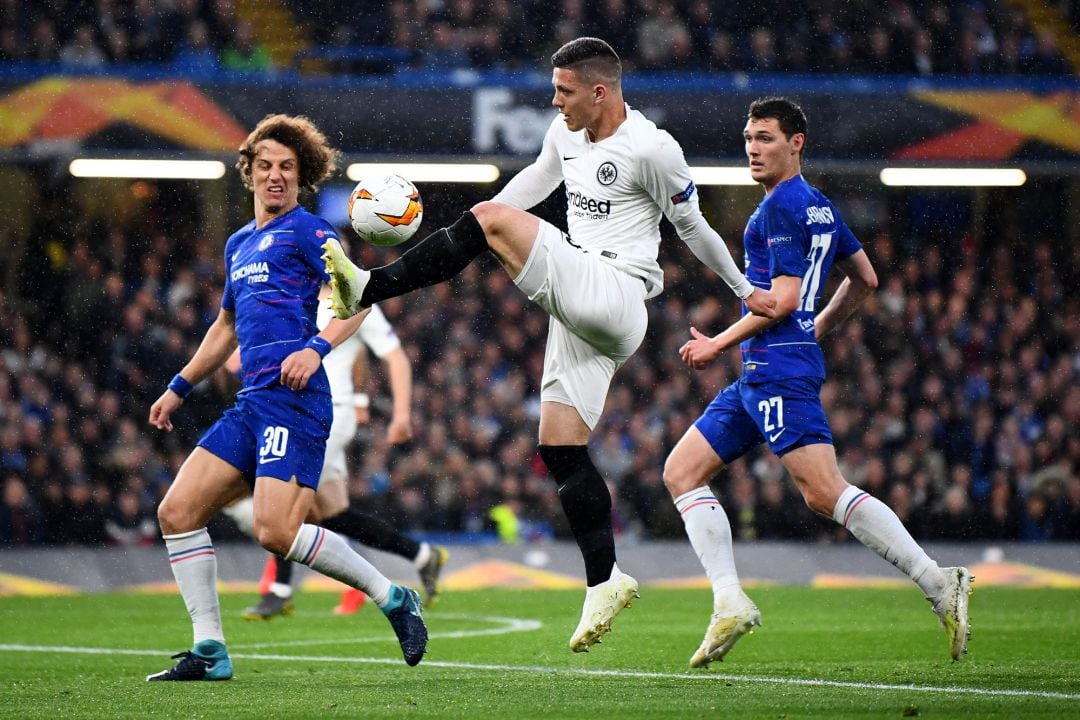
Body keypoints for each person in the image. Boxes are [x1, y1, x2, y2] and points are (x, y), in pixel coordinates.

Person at [321, 37, 777, 652]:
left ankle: (369, 286)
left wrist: (745, 289)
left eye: (564, 91)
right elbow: (532, 183)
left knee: (488, 221)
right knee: (561, 448)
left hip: (617, 293)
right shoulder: (565, 136)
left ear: (600, 91)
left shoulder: (652, 147)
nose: (554, 101)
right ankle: (604, 581)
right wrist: (472, 231)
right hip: (580, 302)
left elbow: (691, 226)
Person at [663, 97, 973, 668]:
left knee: (823, 492)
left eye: (766, 138)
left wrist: (715, 343)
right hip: (769, 368)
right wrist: (818, 327)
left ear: (796, 143)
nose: (753, 148)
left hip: (774, 367)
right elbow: (865, 278)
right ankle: (729, 601)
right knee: (682, 471)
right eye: (749, 138)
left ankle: (937, 581)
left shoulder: (778, 210)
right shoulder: (820, 207)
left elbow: (779, 300)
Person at [145, 114, 427, 681]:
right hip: (252, 403)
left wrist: (316, 348)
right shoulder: (238, 244)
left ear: (301, 178)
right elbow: (225, 326)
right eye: (266, 166)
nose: (276, 177)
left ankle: (392, 596)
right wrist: (178, 386)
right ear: (249, 173)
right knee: (176, 512)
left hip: (296, 402)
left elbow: (359, 298)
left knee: (277, 530)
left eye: (287, 169)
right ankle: (209, 651)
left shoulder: (308, 232)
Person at [223, 291, 448, 619]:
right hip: (298, 412)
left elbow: (395, 357)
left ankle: (280, 591)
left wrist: (399, 414)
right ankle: (421, 554)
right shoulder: (296, 294)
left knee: (283, 498)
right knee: (331, 513)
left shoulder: (355, 299)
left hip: (329, 413)